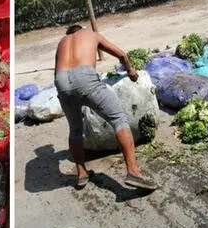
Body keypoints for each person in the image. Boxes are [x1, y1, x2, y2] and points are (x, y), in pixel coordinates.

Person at [54, 24, 158, 190]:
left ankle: (81, 173)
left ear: (69, 33)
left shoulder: (62, 42)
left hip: (61, 82)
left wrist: (66, 97)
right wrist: (131, 71)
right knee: (118, 119)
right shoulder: (91, 34)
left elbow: (57, 73)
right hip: (85, 77)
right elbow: (122, 55)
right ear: (82, 28)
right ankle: (133, 172)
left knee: (75, 129)